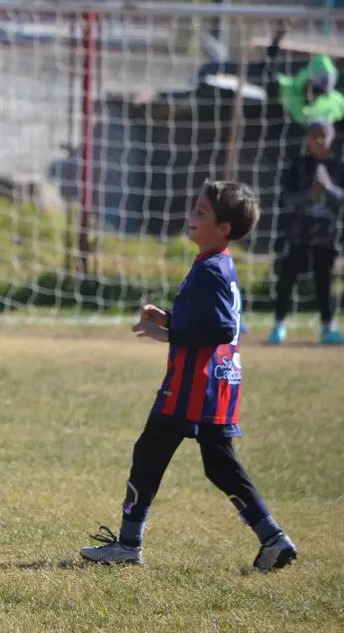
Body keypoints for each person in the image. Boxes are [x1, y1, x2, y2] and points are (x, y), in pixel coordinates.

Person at [80, 180, 298, 572]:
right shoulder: (217, 263)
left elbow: (221, 329)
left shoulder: (210, 269)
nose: (192, 216)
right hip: (215, 384)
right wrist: (168, 318)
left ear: (224, 228)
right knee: (219, 465)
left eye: (201, 212)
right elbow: (209, 321)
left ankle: (128, 545)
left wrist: (168, 334)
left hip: (192, 387)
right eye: (194, 208)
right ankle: (273, 539)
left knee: (148, 455)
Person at [268, 120, 344, 345]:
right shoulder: (299, 165)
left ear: (331, 137)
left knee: (324, 281)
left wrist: (328, 188)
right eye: (313, 135)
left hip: (326, 235)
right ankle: (279, 325)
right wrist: (310, 194)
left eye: (323, 135)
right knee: (287, 278)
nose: (318, 140)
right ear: (307, 139)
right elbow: (287, 198)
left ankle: (327, 327)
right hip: (298, 233)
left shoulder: (338, 167)